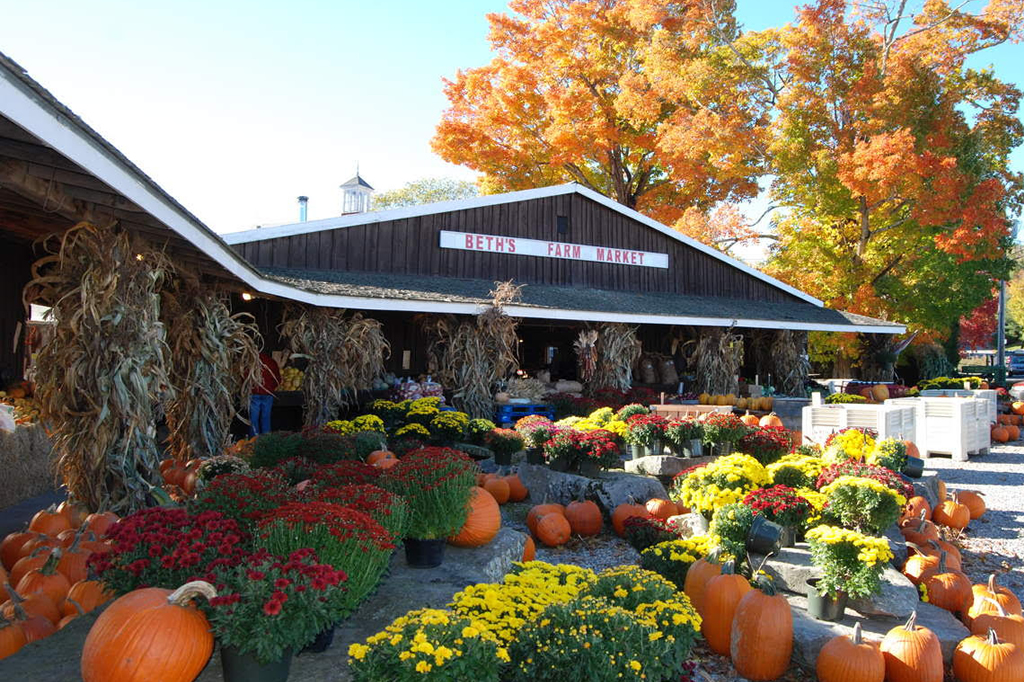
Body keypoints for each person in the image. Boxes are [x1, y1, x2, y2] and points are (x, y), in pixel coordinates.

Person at [250, 351, 280, 436]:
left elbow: (245, 376)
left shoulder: (251, 361)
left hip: (254, 393)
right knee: (266, 417)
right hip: (268, 393)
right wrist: (272, 388)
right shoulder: (271, 362)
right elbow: (277, 378)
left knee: (254, 418)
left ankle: (253, 440)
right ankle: (266, 440)